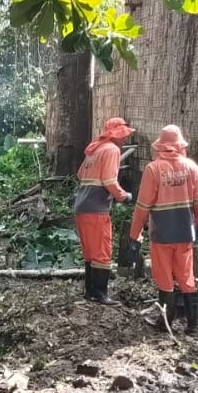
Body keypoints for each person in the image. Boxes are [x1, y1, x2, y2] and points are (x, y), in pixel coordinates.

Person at [124, 125, 198, 332]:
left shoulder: (153, 169)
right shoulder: (191, 167)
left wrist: (134, 236)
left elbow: (142, 207)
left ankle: (165, 321)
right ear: (180, 145)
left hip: (161, 232)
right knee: (186, 276)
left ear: (160, 146)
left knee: (164, 277)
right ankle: (192, 324)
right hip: (185, 231)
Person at [73, 116, 134, 305]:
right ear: (116, 135)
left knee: (90, 251)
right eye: (123, 135)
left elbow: (80, 174)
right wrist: (124, 196)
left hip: (82, 205)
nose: (125, 139)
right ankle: (100, 293)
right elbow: (109, 181)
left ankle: (90, 291)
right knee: (102, 250)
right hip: (97, 207)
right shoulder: (112, 150)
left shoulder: (94, 149)